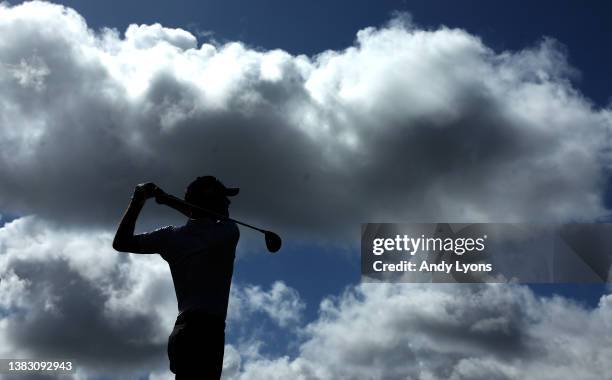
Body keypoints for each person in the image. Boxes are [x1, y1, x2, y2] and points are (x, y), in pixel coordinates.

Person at [112, 176, 240, 379]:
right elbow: (197, 214)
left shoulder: (170, 237)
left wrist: (139, 200)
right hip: (207, 332)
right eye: (223, 198)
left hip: (184, 330)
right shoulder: (229, 231)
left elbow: (121, 242)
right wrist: (167, 199)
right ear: (212, 202)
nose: (228, 202)